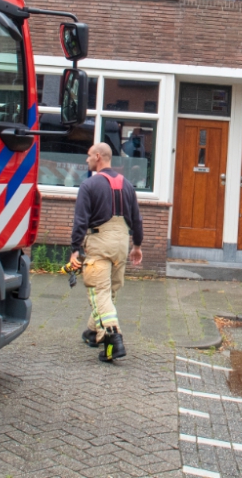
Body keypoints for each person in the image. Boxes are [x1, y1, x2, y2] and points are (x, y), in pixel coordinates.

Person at [69, 143, 143, 362]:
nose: (87, 160)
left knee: (99, 291)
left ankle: (113, 339)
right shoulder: (127, 185)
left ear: (98, 157)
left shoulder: (89, 185)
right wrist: (136, 246)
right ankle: (93, 331)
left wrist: (74, 249)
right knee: (108, 291)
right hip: (121, 242)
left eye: (89, 155)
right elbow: (137, 219)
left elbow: (80, 220)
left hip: (99, 242)